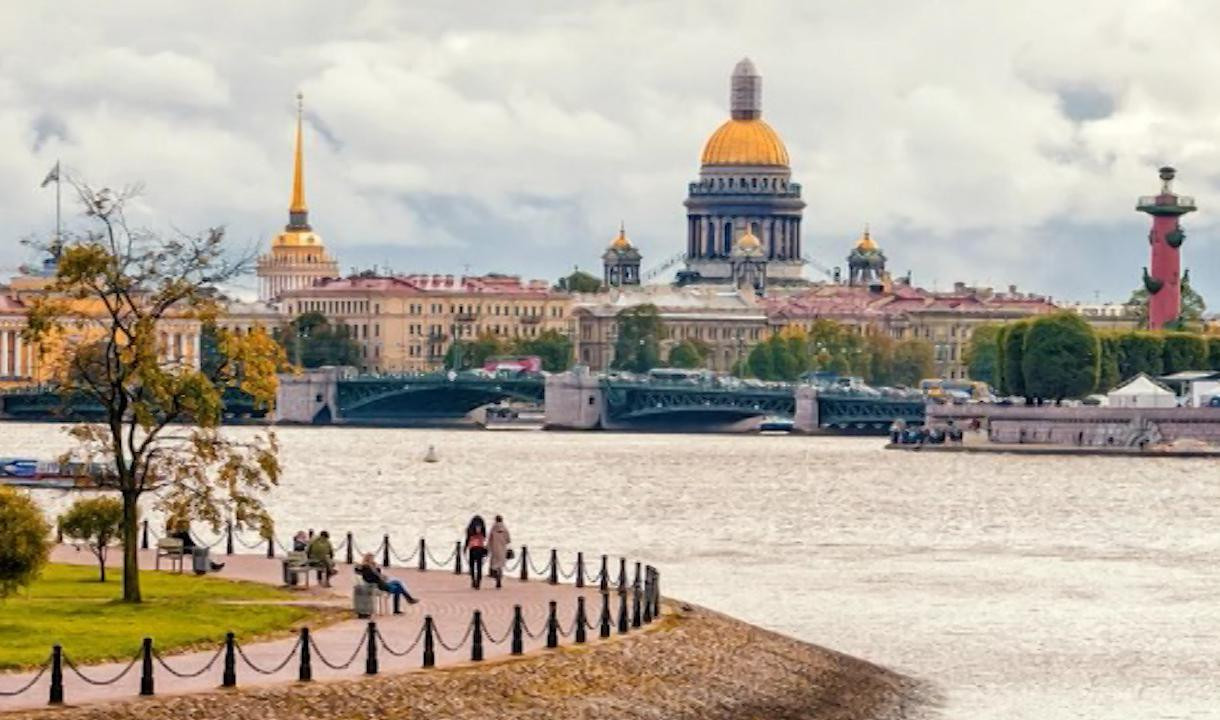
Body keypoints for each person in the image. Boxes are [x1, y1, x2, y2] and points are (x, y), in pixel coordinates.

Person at [487, 515, 512, 589]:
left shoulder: (493, 528)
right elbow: (508, 540)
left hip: (494, 549)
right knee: (500, 566)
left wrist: (488, 547)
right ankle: (499, 579)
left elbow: (490, 539)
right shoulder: (505, 528)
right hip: (502, 549)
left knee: (494, 565)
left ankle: (496, 577)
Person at [464, 515, 488, 590]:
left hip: (472, 548)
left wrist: (465, 547)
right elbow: (484, 538)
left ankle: (473, 580)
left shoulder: (470, 530)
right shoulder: (482, 529)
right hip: (480, 548)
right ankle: (478, 582)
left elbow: (467, 539)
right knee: (479, 566)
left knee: (472, 565)